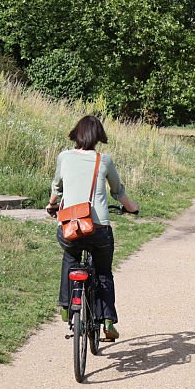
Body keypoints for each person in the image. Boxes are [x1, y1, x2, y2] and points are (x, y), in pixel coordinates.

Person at [46, 116, 139, 341]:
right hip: (98, 229)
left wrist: (51, 205)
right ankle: (107, 320)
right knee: (104, 272)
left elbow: (57, 188)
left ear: (76, 133)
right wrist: (132, 208)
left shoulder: (64, 157)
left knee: (70, 257)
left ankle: (67, 305)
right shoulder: (103, 160)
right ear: (98, 136)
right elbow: (117, 191)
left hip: (70, 227)